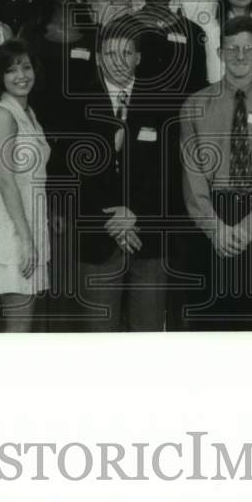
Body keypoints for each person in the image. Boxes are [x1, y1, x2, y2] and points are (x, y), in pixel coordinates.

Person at [179, 15, 252, 330]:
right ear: (220, 54)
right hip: (211, 220)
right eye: (232, 49)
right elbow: (192, 175)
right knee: (210, 323)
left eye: (248, 49)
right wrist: (214, 227)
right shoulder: (195, 105)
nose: (240, 56)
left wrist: (250, 225)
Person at [71, 17, 175, 331]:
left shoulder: (161, 102)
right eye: (111, 54)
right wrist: (114, 221)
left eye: (126, 53)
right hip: (98, 238)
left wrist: (135, 214)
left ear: (138, 58)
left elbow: (168, 169)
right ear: (99, 59)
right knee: (100, 337)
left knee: (148, 331)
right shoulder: (77, 103)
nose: (119, 62)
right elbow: (76, 174)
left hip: (149, 237)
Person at [20, 0, 100, 328]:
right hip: (41, 149)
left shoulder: (96, 32)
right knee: (44, 237)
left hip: (82, 152)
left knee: (74, 247)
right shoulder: (31, 33)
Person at [0, 40, 51, 332]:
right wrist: (26, 238)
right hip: (10, 227)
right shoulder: (2, 115)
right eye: (11, 70)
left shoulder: (27, 113)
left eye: (26, 67)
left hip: (28, 222)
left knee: (23, 324)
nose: (21, 75)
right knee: (18, 326)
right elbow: (6, 181)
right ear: (0, 77)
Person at [128, 0, 209, 99]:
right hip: (135, 117)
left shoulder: (193, 32)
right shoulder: (122, 27)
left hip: (180, 118)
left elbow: (198, 86)